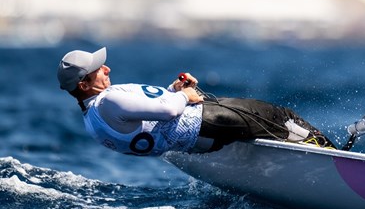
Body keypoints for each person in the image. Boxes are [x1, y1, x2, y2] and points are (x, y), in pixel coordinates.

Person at [57, 47, 335, 156]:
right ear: (83, 84)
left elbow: (148, 122)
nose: (106, 69)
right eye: (99, 70)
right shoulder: (107, 102)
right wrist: (182, 96)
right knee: (279, 117)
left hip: (200, 135)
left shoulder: (93, 120)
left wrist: (174, 89)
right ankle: (330, 154)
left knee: (276, 125)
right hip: (209, 121)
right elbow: (167, 110)